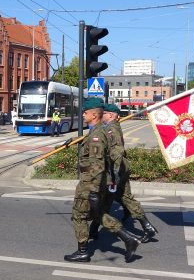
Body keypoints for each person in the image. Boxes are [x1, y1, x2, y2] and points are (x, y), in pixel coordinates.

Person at [64, 98, 140, 263]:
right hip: (93, 181)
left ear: (93, 115)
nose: (83, 115)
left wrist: (93, 190)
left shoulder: (96, 136)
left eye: (85, 113)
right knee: (98, 214)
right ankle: (128, 239)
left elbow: (97, 166)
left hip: (89, 182)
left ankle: (83, 251)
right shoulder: (97, 131)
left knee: (79, 215)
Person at [89, 103, 158, 243]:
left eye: (104, 114)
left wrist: (114, 173)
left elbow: (117, 151)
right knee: (120, 197)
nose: (102, 116)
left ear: (109, 115)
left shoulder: (111, 130)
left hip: (116, 169)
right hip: (119, 168)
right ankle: (147, 226)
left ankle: (94, 230)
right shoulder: (109, 127)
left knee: (107, 199)